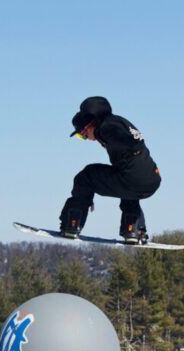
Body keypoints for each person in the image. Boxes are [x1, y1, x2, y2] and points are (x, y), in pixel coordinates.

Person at [60, 96, 161, 245]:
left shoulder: (108, 126)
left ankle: (72, 225)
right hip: (150, 180)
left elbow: (121, 135)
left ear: (90, 125)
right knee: (126, 185)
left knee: (85, 177)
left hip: (133, 177)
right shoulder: (117, 122)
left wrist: (85, 197)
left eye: (83, 134)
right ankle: (134, 230)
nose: (86, 138)